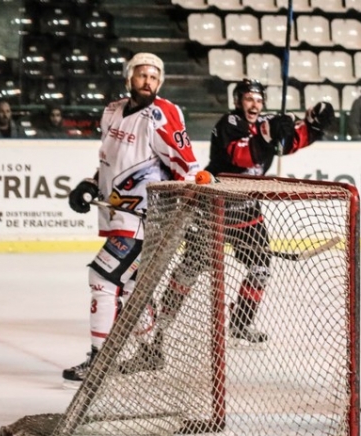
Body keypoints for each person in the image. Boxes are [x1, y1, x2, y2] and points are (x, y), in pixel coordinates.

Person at [138, 78, 334, 359]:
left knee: (261, 268)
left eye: (258, 100)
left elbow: (290, 141)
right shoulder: (228, 123)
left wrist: (313, 125)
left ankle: (241, 324)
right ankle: (161, 330)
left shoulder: (265, 124)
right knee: (190, 269)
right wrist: (266, 135)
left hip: (247, 211)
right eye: (249, 99)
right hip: (213, 206)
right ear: (238, 101)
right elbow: (239, 156)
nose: (254, 104)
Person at [62, 52, 201, 386]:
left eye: (154, 77)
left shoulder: (163, 114)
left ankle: (100, 360)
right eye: (141, 75)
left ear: (160, 81)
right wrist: (92, 183)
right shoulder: (112, 110)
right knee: (131, 287)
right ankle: (150, 351)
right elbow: (112, 160)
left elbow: (188, 166)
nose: (148, 82)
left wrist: (190, 211)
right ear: (129, 78)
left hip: (144, 218)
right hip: (118, 213)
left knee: (102, 278)